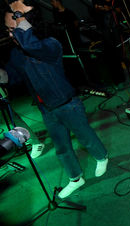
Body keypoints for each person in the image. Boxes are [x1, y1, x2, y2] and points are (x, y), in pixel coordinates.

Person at [2, 0, 109, 199]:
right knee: (62, 147)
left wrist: (18, 14)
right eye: (8, 30)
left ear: (26, 24)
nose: (11, 35)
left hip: (68, 104)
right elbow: (12, 77)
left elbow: (31, 44)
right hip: (47, 109)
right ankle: (76, 178)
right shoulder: (17, 54)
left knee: (85, 136)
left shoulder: (50, 45)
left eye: (13, 29)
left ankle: (101, 156)